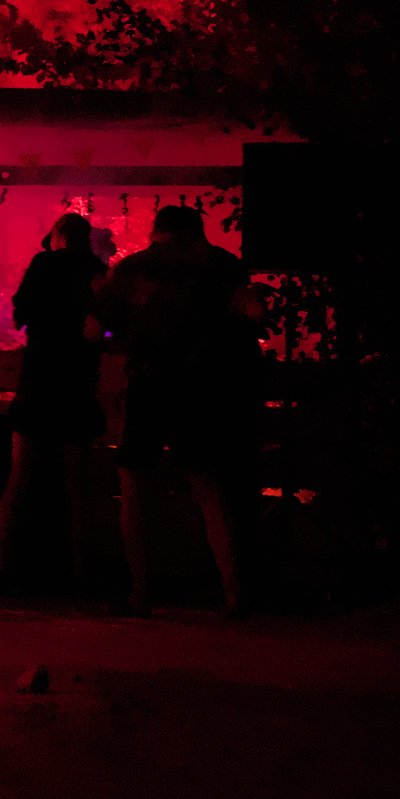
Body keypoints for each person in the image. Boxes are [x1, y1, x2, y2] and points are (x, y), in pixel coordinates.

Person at [90, 204, 262, 615]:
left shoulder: (131, 269)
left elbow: (93, 330)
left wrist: (129, 332)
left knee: (134, 485)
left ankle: (140, 592)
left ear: (157, 231)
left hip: (148, 384)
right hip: (201, 388)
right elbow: (252, 315)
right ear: (196, 231)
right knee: (207, 486)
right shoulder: (222, 266)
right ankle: (233, 592)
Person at [0, 211, 111, 591]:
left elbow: (21, 314)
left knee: (19, 478)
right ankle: (82, 567)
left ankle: (2, 566)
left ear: (57, 237)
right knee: (77, 484)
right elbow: (105, 327)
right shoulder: (98, 271)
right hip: (77, 383)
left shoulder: (44, 264)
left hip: (40, 381)